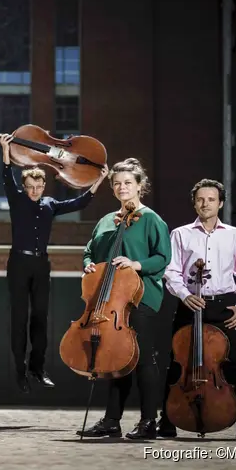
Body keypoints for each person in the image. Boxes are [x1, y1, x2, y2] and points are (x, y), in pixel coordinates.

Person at [0, 133, 109, 392]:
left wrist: (99, 179)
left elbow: (80, 201)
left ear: (43, 186)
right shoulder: (17, 199)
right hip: (18, 264)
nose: (35, 191)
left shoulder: (50, 204)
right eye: (31, 187)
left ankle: (37, 368)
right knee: (19, 318)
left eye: (39, 187)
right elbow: (6, 177)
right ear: (25, 187)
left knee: (40, 317)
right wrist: (5, 150)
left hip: (40, 265)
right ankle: (19, 371)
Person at [158, 178, 236, 440]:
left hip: (224, 307)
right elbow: (171, 271)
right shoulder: (180, 234)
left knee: (233, 365)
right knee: (177, 364)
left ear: (221, 203)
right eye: (201, 199)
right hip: (190, 305)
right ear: (194, 203)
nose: (206, 204)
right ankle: (167, 421)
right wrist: (184, 295)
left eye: (211, 199)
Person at [77, 158, 171, 440]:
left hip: (140, 297)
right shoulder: (107, 220)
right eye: (117, 183)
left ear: (140, 186)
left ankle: (148, 421)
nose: (122, 187)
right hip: (109, 301)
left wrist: (135, 264)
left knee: (142, 359)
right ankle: (111, 421)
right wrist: (88, 264)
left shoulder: (152, 219)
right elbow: (90, 250)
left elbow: (162, 258)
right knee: (116, 360)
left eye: (128, 183)